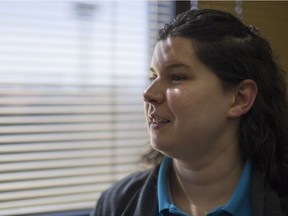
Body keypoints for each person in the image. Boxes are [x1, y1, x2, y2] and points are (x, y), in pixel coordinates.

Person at [91, 8, 288, 216]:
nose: (148, 94)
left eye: (176, 77)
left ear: (240, 98)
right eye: (153, 77)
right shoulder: (116, 203)